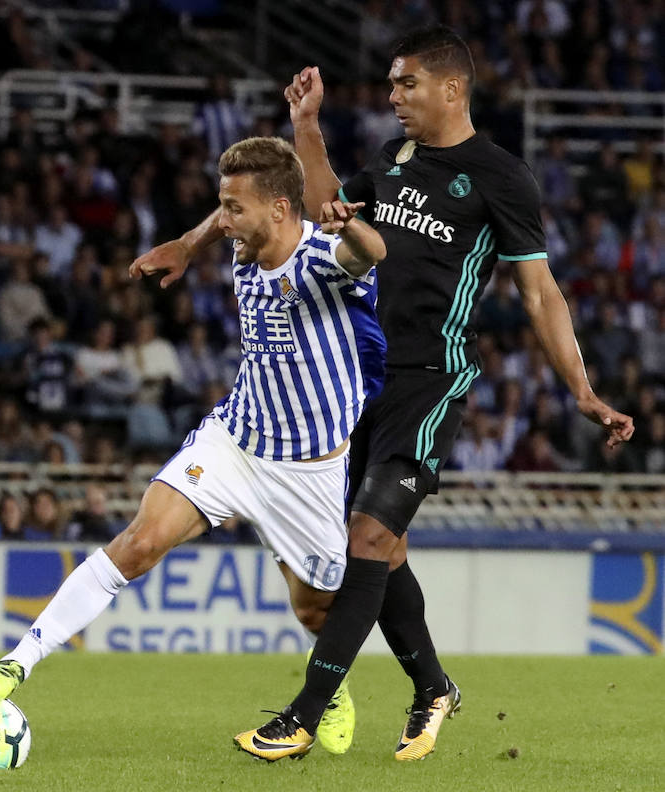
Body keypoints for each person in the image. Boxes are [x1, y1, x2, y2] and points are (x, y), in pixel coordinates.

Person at [128, 26, 635, 763]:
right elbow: (316, 209)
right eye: (393, 85)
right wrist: (294, 140)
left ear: (451, 88)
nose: (393, 97)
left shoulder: (499, 177)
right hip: (355, 383)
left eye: (406, 85)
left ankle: (304, 713)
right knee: (380, 550)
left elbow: (539, 293)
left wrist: (582, 390)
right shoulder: (394, 160)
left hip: (428, 384)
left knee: (366, 538)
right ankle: (432, 687)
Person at [0, 136, 388, 736]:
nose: (228, 220)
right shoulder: (247, 245)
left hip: (309, 469)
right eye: (225, 205)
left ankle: (328, 685)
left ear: (280, 209)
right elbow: (224, 218)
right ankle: (14, 664)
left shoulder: (321, 258)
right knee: (138, 543)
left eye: (237, 208)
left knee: (315, 609)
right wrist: (189, 244)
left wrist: (356, 227)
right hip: (236, 441)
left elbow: (370, 254)